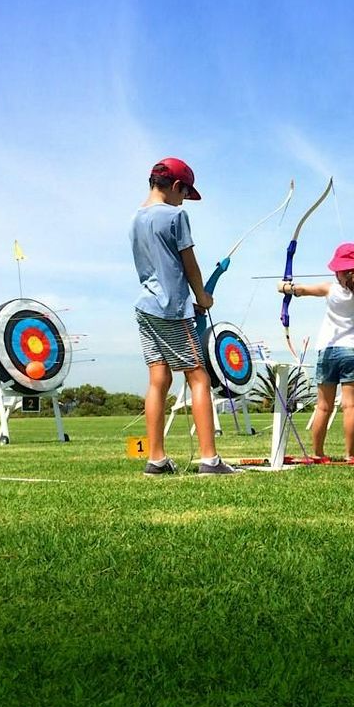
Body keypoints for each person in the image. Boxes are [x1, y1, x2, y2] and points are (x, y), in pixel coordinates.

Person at [131, 157, 235, 475]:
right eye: (185, 193)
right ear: (176, 187)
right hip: (171, 310)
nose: (185, 200)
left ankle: (157, 459)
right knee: (198, 377)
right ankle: (210, 460)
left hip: (145, 308)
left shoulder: (136, 217)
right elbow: (189, 264)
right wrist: (202, 297)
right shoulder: (176, 216)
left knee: (158, 380)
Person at [278, 242, 354, 459]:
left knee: (323, 407)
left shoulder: (329, 288)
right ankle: (350, 455)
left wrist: (285, 287)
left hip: (327, 351)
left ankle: (317, 453)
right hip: (351, 351)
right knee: (350, 405)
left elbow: (301, 290)